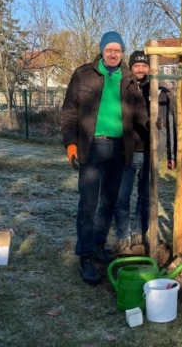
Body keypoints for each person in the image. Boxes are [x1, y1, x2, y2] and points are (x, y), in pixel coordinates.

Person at [61, 31, 148, 285]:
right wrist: (70, 143)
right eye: (109, 49)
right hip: (92, 147)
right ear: (102, 50)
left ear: (122, 53)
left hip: (120, 148)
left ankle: (99, 246)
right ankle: (85, 256)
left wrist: (149, 123)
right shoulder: (83, 74)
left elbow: (139, 109)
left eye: (117, 50)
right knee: (88, 204)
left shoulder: (128, 78)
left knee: (109, 202)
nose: (113, 54)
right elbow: (69, 111)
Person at [110, 50, 177, 254]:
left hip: (151, 152)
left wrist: (172, 153)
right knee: (122, 197)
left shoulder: (159, 91)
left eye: (144, 65)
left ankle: (140, 232)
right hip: (127, 151)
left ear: (150, 68)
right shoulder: (122, 88)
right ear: (131, 67)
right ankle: (123, 236)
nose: (140, 69)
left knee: (145, 196)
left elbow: (171, 124)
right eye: (137, 65)